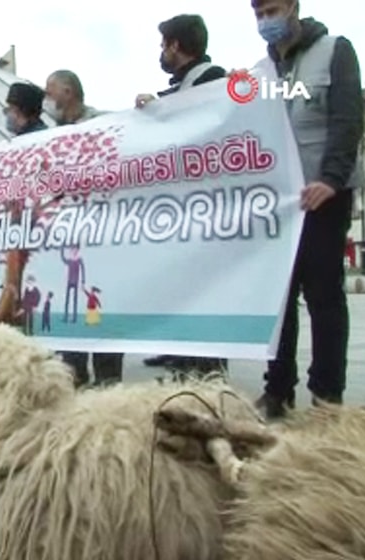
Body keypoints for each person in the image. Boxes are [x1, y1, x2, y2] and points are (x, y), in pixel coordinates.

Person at [250, 0, 364, 419]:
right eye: (259, 14)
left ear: (294, 7)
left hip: (323, 197)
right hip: (281, 202)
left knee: (324, 297)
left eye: (273, 11)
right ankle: (277, 390)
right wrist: (158, 107)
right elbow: (220, 115)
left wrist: (331, 179)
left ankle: (326, 395)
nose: (267, 21)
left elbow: (347, 120)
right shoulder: (261, 72)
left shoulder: (335, 50)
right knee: (279, 301)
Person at [135, 15, 228, 374]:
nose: (161, 52)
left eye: (163, 44)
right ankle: (188, 360)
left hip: (207, 206)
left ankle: (208, 369)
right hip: (187, 207)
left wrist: (163, 107)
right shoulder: (184, 86)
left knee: (207, 290)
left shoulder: (211, 80)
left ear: (176, 45)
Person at [43, 70, 123, 388]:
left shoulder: (104, 123)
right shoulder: (51, 136)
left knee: (101, 314)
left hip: (101, 241)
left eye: (50, 92)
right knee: (71, 317)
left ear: (68, 91)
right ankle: (74, 379)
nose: (47, 100)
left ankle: (108, 382)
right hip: (66, 243)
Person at [135, 14, 228, 109]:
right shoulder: (182, 87)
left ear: (174, 46)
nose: (163, 53)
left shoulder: (212, 77)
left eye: (163, 46)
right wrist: (155, 109)